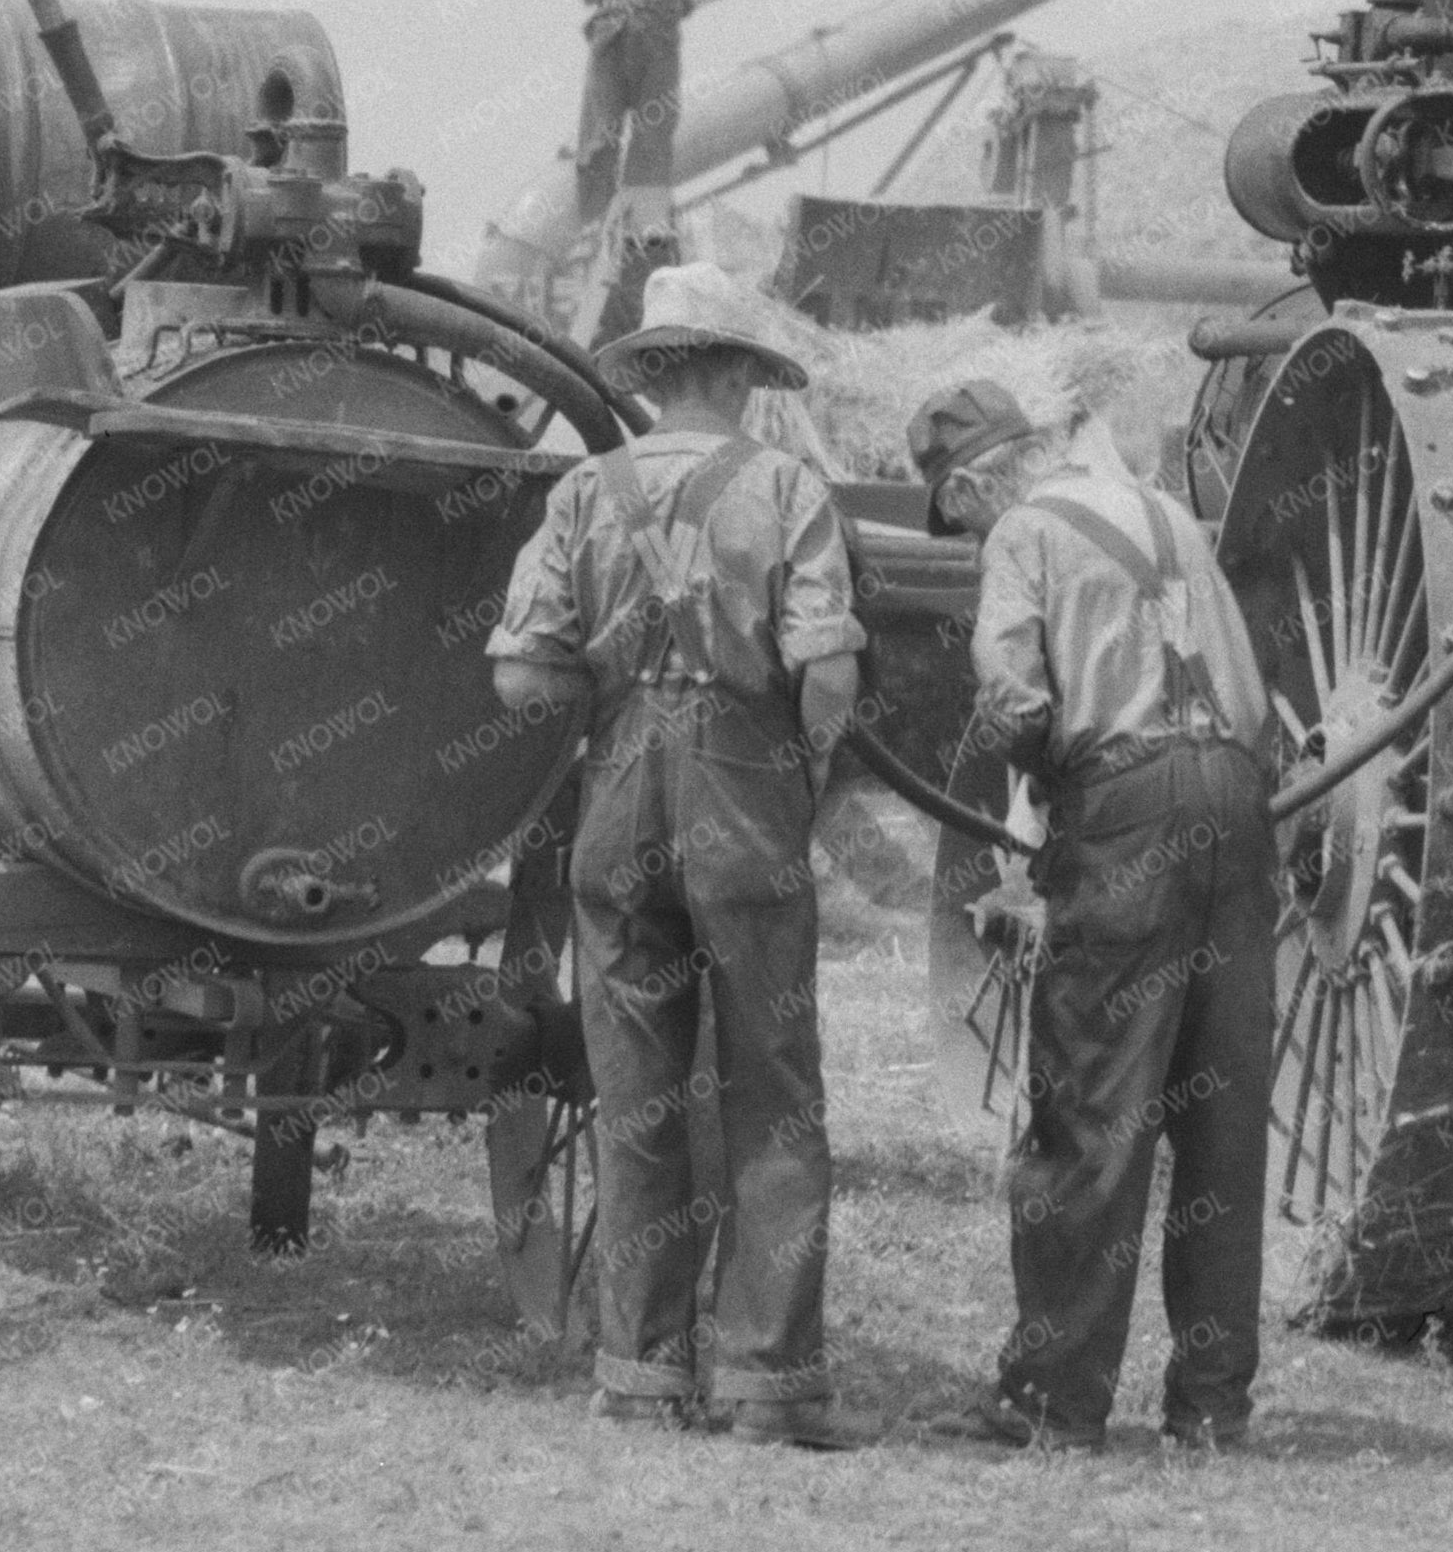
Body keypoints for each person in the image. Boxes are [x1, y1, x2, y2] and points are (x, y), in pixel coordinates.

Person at [489, 265, 871, 1447]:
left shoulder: (582, 491)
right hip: (746, 794)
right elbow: (830, 670)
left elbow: (519, 673)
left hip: (615, 799)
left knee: (635, 1092)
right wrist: (792, 776)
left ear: (655, 372)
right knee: (772, 1092)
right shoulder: (788, 485)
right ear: (743, 373)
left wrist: (608, 698)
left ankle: (639, 1375)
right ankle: (766, 1383)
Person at [911, 378, 1294, 1454]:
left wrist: (1038, 798)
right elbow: (1255, 699)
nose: (976, 529)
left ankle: (1051, 1401)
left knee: (1091, 1106)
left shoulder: (1024, 535)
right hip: (1238, 801)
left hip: (1127, 814)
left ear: (985, 479)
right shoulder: (1172, 513)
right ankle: (1212, 1406)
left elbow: (1016, 699)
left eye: (964, 510)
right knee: (1219, 1124)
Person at [545, 0, 749, 243]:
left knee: (653, 135)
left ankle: (644, 228)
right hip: (612, 38)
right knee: (599, 138)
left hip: (658, 43)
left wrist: (694, 0)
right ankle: (595, 227)